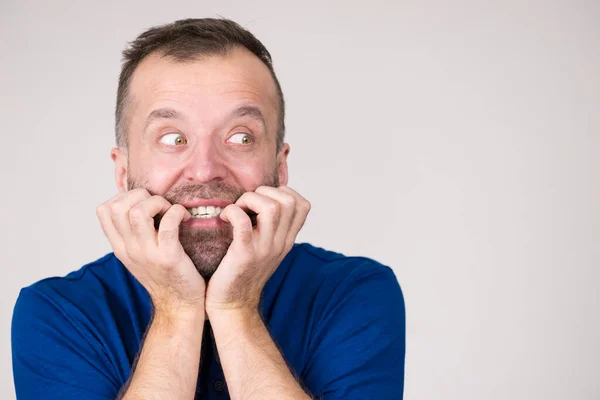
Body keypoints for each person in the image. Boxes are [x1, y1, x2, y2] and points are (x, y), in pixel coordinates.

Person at [11, 18, 406, 400]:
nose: (205, 168)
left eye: (239, 137)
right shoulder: (57, 313)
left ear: (280, 166)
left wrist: (235, 307)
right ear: (123, 170)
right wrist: (176, 307)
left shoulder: (352, 292)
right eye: (172, 137)